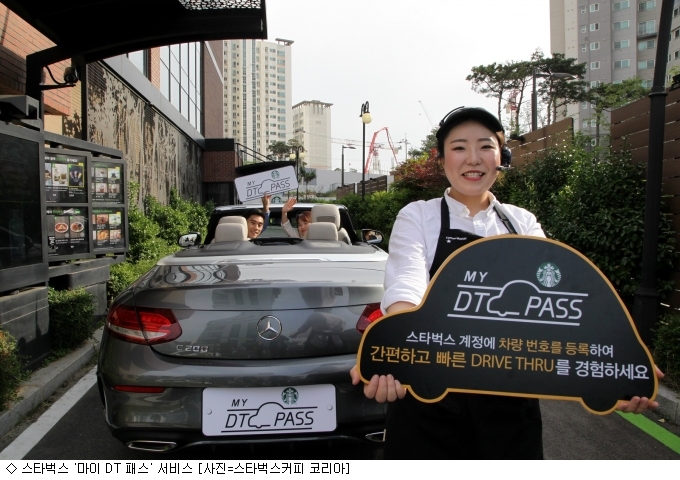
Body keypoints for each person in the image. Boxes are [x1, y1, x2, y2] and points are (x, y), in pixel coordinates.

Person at [349, 106, 662, 460]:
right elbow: (406, 286)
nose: (473, 158)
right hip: (429, 401)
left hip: (511, 408)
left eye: (485, 146)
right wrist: (396, 348)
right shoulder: (418, 215)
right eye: (459, 147)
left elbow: (558, 302)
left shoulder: (521, 223)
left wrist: (617, 365)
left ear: (502, 157)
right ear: (442, 159)